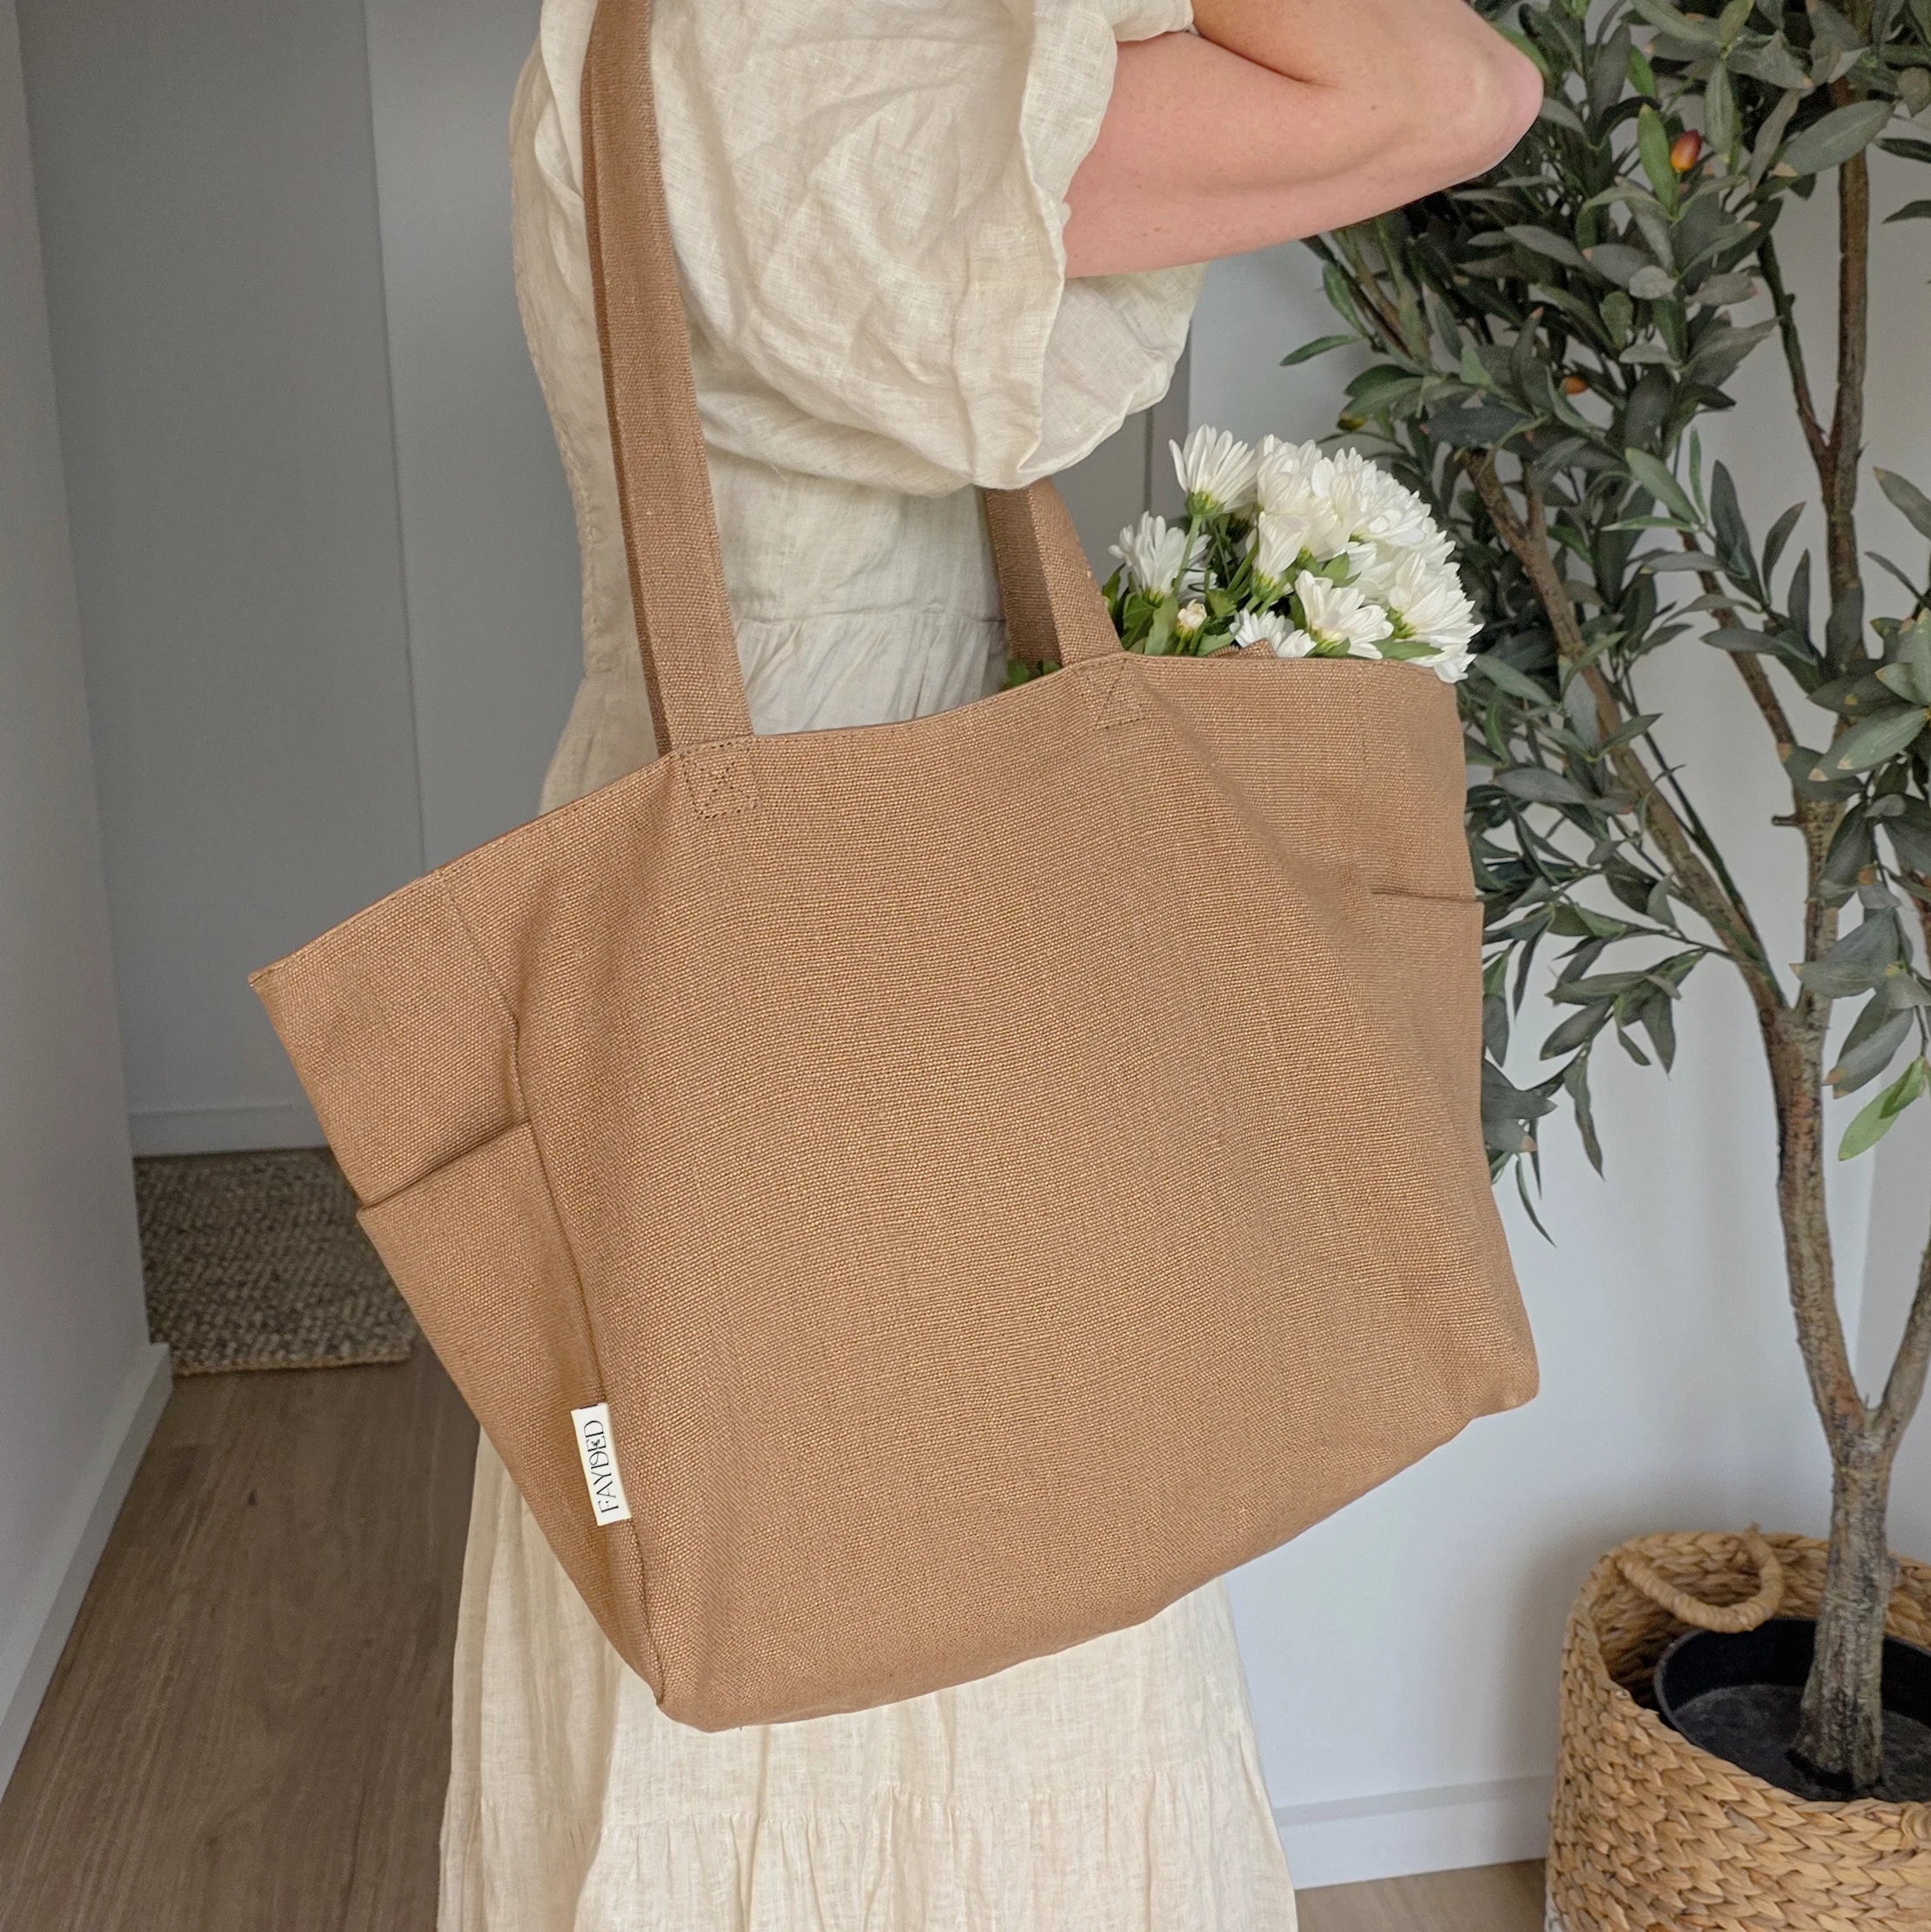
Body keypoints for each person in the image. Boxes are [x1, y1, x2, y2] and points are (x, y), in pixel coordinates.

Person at [439, 3, 1539, 1928]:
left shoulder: (691, 44)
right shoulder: (767, 58)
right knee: (909, 1617)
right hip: (857, 1003)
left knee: (833, 1578)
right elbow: (1447, 85)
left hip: (751, 962)